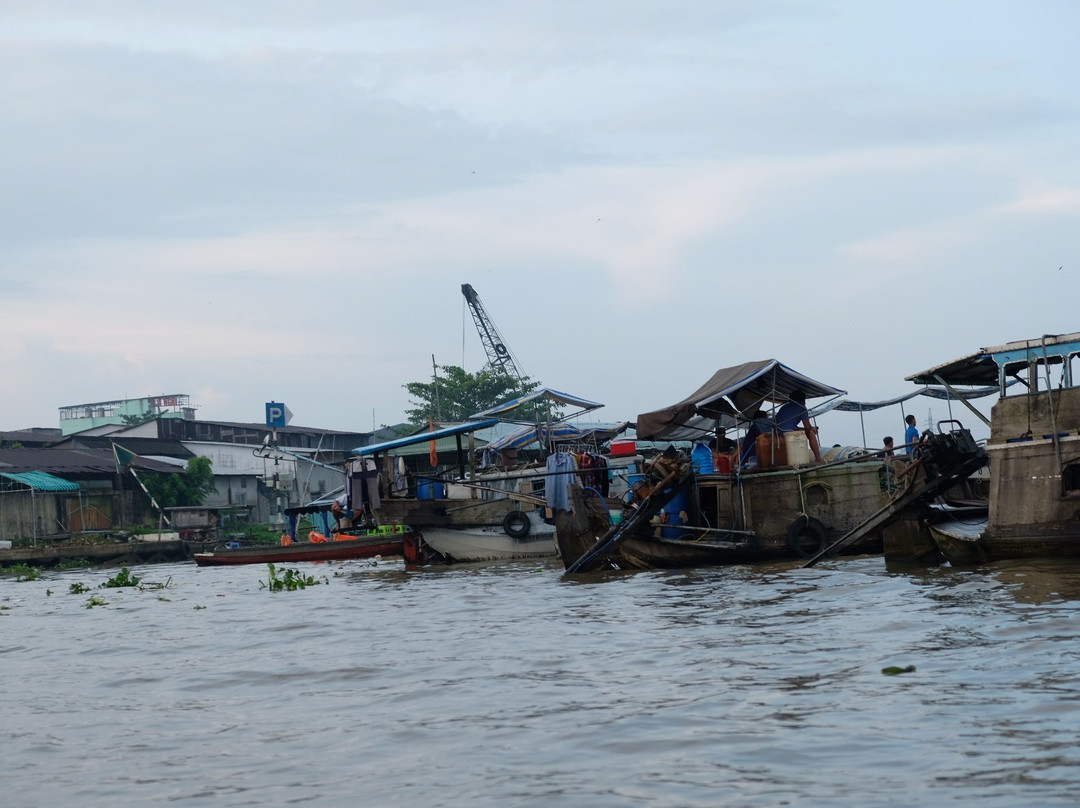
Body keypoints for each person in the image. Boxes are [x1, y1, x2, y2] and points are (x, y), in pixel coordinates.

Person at [774, 390, 823, 463]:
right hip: (787, 432)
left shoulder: (784, 407)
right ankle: (818, 458)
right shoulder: (802, 408)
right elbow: (807, 427)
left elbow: (789, 425)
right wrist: (813, 429)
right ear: (802, 400)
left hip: (777, 431)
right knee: (811, 433)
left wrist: (807, 428)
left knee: (809, 430)